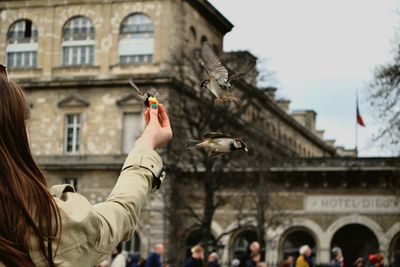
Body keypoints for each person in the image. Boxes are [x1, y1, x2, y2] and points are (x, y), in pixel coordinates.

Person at [0, 71, 173, 266]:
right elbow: (114, 218)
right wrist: (145, 146)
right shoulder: (40, 222)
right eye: (24, 123)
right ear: (13, 134)